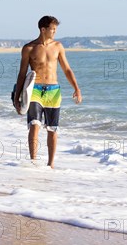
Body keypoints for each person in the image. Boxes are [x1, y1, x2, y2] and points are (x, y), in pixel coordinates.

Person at [14, 16, 82, 168]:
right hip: (35, 90)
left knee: (52, 129)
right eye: (52, 29)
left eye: (55, 29)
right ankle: (33, 161)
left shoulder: (58, 46)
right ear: (43, 29)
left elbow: (67, 69)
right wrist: (17, 97)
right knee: (34, 124)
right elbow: (22, 73)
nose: (54, 32)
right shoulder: (29, 48)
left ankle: (50, 165)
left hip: (53, 91)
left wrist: (76, 88)